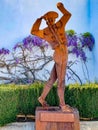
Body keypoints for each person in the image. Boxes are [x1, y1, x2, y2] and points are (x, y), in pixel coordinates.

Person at [31, 2, 72, 112]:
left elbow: (67, 15)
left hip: (64, 52)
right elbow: (33, 31)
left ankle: (42, 98)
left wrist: (61, 8)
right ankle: (62, 105)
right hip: (59, 54)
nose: (50, 21)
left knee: (52, 79)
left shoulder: (60, 25)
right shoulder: (46, 31)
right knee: (61, 81)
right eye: (48, 19)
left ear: (54, 19)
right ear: (46, 20)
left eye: (51, 19)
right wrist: (39, 19)